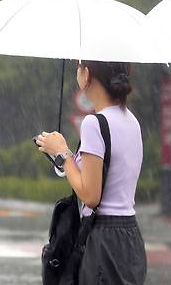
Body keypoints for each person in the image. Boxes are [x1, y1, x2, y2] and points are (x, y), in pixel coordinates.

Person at [35, 60, 147, 285]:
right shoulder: (130, 120)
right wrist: (62, 156)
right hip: (130, 236)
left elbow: (90, 195)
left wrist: (63, 153)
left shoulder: (94, 124)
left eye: (79, 66)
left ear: (86, 75)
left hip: (103, 238)